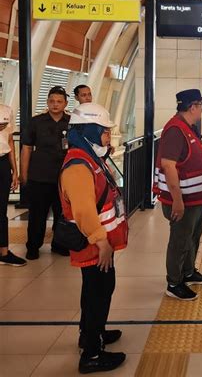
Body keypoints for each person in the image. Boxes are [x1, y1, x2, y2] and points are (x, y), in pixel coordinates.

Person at [60, 102, 127, 374]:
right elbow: (84, 210)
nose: (108, 137)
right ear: (89, 130)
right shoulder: (78, 165)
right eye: (105, 132)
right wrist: (102, 243)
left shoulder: (89, 156)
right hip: (94, 245)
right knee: (98, 292)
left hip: (99, 243)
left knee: (96, 291)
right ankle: (91, 354)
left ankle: (92, 333)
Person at [154, 89, 202, 301]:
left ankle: (188, 272)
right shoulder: (175, 131)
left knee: (192, 237)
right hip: (183, 201)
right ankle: (174, 282)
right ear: (193, 107)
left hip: (196, 198)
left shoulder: (187, 127)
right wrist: (177, 202)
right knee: (180, 240)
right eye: (201, 105)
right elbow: (168, 166)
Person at [20, 86, 71, 259]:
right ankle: (33, 246)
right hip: (39, 175)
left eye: (59, 101)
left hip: (64, 178)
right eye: (51, 101)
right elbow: (26, 148)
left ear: (65, 103)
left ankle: (59, 244)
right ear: (47, 102)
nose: (55, 104)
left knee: (62, 214)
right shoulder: (36, 122)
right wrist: (23, 174)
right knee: (37, 215)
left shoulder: (72, 123)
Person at [0, 105, 26, 266]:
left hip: (2, 162)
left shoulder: (6, 110)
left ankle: (3, 251)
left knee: (2, 210)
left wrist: (14, 171)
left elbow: (9, 140)